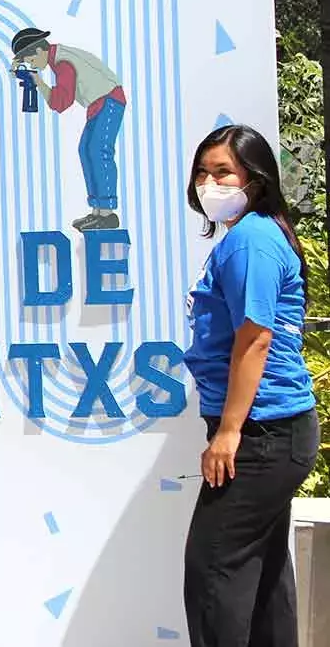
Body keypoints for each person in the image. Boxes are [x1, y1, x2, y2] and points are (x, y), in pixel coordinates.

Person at [181, 123, 319, 646]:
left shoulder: (250, 242)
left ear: (254, 180)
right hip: (275, 433)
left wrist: (229, 432)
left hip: (261, 433)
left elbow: (255, 339)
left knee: (213, 575)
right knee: (260, 578)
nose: (208, 183)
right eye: (202, 172)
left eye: (223, 172)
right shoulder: (253, 236)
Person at [10, 27, 127, 231]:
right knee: (87, 150)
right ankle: (98, 211)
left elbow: (60, 102)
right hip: (99, 103)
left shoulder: (63, 64)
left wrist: (38, 82)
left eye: (30, 61)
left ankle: (107, 213)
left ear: (38, 52)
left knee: (98, 152)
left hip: (109, 100)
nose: (32, 65)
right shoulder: (59, 58)